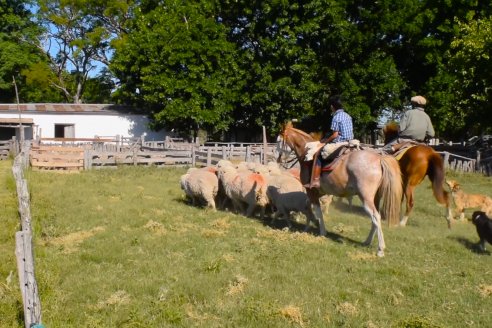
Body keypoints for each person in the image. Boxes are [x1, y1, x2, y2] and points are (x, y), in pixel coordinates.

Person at [305, 95, 354, 189]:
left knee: (318, 153)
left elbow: (335, 135)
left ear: (332, 106)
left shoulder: (336, 117)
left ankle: (315, 180)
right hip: (350, 141)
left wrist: (325, 142)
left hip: (340, 142)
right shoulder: (348, 115)